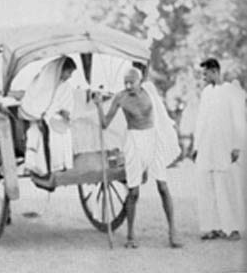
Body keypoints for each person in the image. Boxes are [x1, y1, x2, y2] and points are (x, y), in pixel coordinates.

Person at [93, 66, 182, 248]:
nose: (128, 86)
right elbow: (104, 124)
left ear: (140, 81)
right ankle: (131, 236)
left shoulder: (149, 91)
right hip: (134, 140)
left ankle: (173, 231)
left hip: (153, 138)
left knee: (163, 186)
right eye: (125, 82)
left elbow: (161, 114)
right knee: (133, 192)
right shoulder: (120, 97)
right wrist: (98, 105)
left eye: (131, 82)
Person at [193, 58, 245, 241]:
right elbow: (201, 120)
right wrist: (196, 146)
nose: (203, 77)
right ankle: (211, 227)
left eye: (205, 73)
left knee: (226, 186)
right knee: (206, 185)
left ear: (214, 71)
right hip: (207, 145)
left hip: (224, 144)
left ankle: (232, 228)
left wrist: (237, 145)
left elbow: (239, 119)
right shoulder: (206, 92)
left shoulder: (231, 91)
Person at [21, 56, 77, 177]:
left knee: (65, 132)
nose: (70, 76)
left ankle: (61, 164)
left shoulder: (66, 86)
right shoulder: (43, 82)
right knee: (38, 133)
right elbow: (37, 102)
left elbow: (67, 105)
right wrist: (42, 116)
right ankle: (40, 166)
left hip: (57, 117)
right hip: (40, 117)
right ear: (61, 70)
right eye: (69, 72)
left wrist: (65, 113)